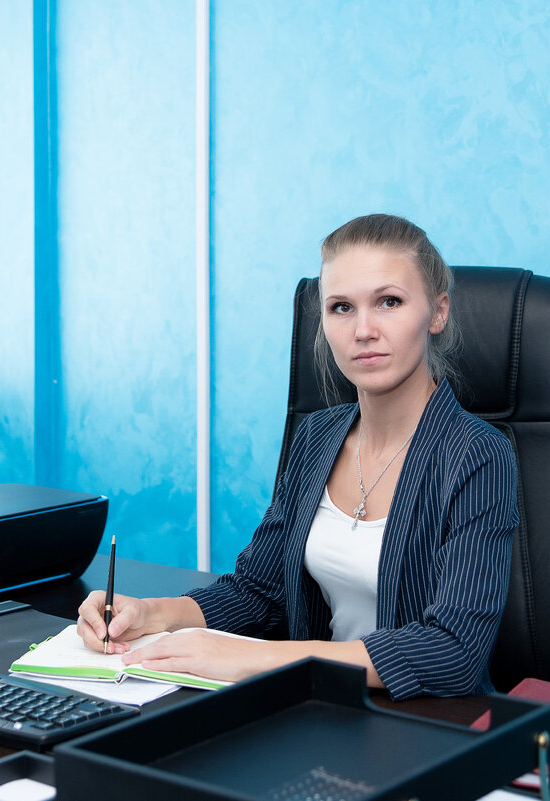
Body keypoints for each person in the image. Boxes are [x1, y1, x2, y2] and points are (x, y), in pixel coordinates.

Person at [77, 213, 517, 699]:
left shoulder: (477, 455)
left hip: (427, 721)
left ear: (437, 312)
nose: (363, 330)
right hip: (320, 709)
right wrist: (152, 613)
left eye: (389, 302)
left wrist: (255, 659)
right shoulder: (316, 438)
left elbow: (452, 653)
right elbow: (258, 593)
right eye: (341, 307)